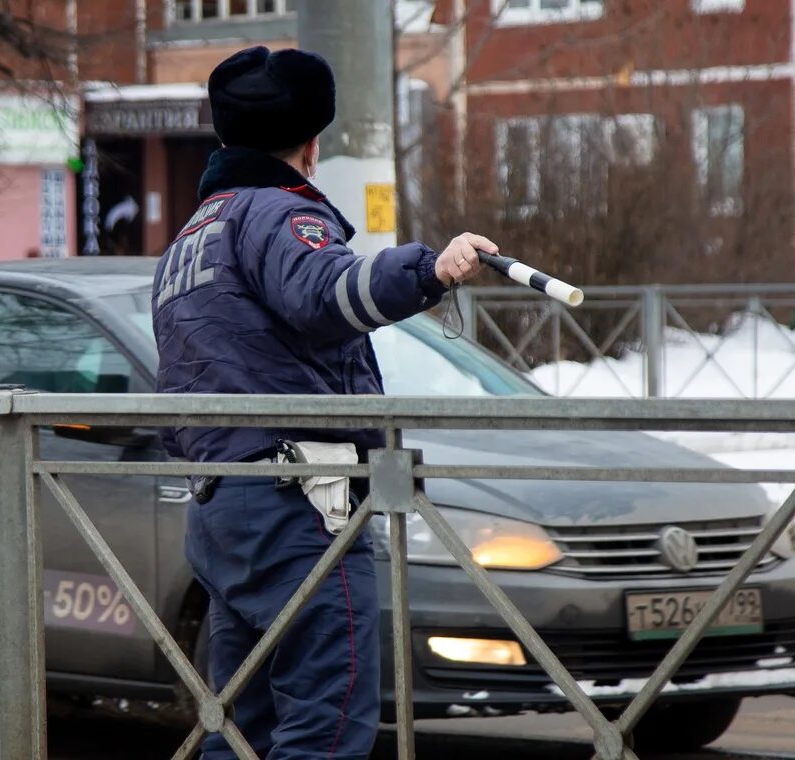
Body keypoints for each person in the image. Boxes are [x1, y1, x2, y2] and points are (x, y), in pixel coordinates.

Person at [151, 46, 497, 759]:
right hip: (297, 506)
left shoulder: (189, 238)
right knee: (325, 723)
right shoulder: (279, 214)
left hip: (221, 508)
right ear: (310, 146)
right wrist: (428, 269)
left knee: (239, 726)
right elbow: (324, 295)